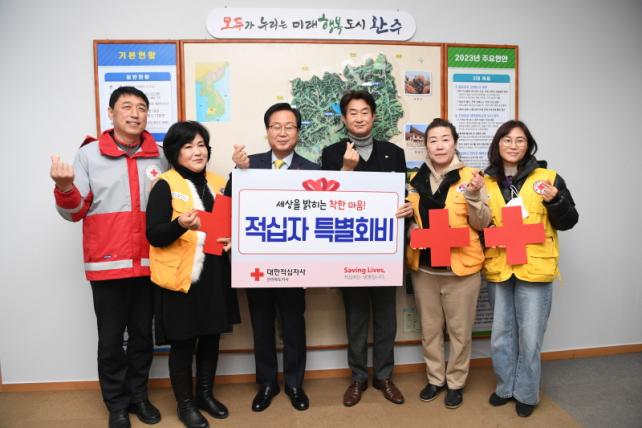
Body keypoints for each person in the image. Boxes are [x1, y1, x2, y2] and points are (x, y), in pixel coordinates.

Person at [50, 86, 165, 428]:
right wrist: (65, 187)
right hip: (108, 266)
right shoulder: (88, 156)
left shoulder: (160, 156)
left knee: (143, 337)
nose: (135, 113)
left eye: (141, 107)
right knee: (112, 341)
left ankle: (139, 397)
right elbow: (74, 213)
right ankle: (116, 404)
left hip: (149, 265)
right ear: (111, 113)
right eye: (126, 106)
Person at [321, 90, 413, 407]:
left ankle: (384, 375)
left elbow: (402, 195)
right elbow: (326, 202)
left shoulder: (393, 152)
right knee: (356, 317)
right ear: (344, 118)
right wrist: (346, 169)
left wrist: (407, 208)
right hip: (350, 250)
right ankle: (358, 377)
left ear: (373, 116)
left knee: (386, 317)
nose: (359, 118)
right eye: (352, 112)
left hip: (386, 250)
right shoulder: (332, 153)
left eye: (364, 112)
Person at [146, 121, 240, 428]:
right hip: (181, 279)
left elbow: (231, 223)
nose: (197, 152)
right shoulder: (165, 184)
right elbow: (154, 235)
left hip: (215, 274)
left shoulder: (217, 182)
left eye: (201, 145)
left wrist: (232, 238)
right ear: (175, 152)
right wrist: (179, 225)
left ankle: (205, 395)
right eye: (188, 146)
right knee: (183, 343)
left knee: (211, 337)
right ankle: (185, 405)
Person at [227, 102, 319, 412]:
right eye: (276, 126)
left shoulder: (313, 170)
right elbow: (229, 206)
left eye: (289, 126)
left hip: (296, 264)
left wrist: (313, 268)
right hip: (257, 264)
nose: (282, 132)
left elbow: (321, 222)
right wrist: (239, 173)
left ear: (298, 132)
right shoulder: (247, 164)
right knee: (262, 325)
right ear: (267, 131)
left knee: (294, 325)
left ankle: (294, 383)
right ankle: (266, 383)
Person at [484, 120, 578, 417]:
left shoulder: (549, 178)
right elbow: (478, 224)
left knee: (530, 336)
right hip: (500, 266)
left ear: (529, 145)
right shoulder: (485, 181)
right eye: (507, 140)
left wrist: (555, 200)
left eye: (520, 140)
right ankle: (505, 387)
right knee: (501, 334)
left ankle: (526, 392)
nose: (513, 145)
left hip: (534, 266)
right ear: (497, 144)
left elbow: (569, 220)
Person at [406, 118, 491, 409]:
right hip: (424, 269)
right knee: (430, 330)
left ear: (455, 143)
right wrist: (410, 229)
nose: (439, 145)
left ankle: (455, 382)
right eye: (433, 140)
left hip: (461, 270)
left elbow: (483, 223)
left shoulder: (472, 178)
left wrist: (474, 196)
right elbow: (410, 220)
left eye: (445, 139)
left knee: (459, 332)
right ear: (426, 146)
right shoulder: (414, 180)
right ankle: (435, 379)